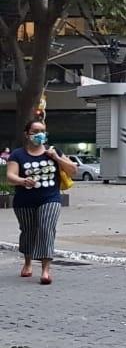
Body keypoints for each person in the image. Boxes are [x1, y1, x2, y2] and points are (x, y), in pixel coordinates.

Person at [6, 119, 77, 284]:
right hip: (25, 200)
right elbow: (10, 177)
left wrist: (56, 158)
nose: (39, 135)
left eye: (42, 131)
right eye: (35, 132)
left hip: (50, 198)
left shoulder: (53, 151)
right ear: (27, 134)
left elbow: (73, 170)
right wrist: (23, 181)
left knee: (46, 228)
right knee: (28, 231)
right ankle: (28, 263)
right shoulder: (18, 154)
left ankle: (46, 270)